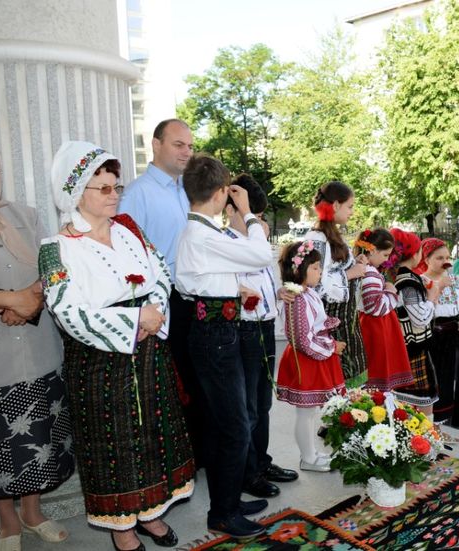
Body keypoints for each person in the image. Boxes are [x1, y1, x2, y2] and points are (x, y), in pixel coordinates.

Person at [40, 142, 194, 550]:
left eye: (116, 187)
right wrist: (133, 320)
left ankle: (152, 515)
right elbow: (68, 311)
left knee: (153, 437)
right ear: (75, 193)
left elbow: (160, 274)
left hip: (149, 353)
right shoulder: (55, 248)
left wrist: (155, 312)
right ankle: (122, 529)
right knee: (114, 447)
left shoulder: (129, 230)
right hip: (99, 364)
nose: (113, 195)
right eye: (102, 188)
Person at [0, 144, 74, 551]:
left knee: (39, 438)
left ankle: (34, 513)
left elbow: (53, 267)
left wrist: (29, 300)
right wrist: (10, 299)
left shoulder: (26, 215)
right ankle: (8, 522)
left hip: (39, 348)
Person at [176, 154, 273, 539]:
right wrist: (248, 214)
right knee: (234, 427)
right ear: (221, 193)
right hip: (215, 337)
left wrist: (232, 287)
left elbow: (192, 280)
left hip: (216, 332)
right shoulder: (203, 234)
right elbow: (261, 255)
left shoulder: (198, 234)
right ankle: (223, 513)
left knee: (223, 425)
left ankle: (227, 499)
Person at [118, 119, 204, 466]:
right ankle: (178, 460)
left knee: (197, 380)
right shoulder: (136, 195)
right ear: (156, 144)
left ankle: (199, 454)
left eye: (190, 146)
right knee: (172, 385)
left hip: (195, 299)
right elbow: (126, 253)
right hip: (162, 303)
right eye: (178, 144)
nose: (186, 152)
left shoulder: (190, 190)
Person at [222, 174, 298, 500]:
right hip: (246, 330)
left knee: (264, 403)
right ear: (233, 209)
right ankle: (247, 473)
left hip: (264, 327)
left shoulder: (255, 243)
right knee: (249, 407)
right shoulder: (225, 243)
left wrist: (277, 293)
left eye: (262, 216)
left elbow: (262, 283)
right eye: (254, 214)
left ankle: (261, 462)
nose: (261, 222)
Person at [276, 241, 346, 472]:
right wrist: (331, 346)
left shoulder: (307, 293)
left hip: (315, 357)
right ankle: (308, 458)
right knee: (305, 413)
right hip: (307, 360)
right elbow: (302, 340)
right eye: (315, 267)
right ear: (299, 269)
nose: (320, 272)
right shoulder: (297, 297)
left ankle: (312, 454)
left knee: (311, 411)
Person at [306, 182, 368, 386]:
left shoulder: (331, 234)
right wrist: (351, 273)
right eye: (349, 206)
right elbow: (314, 283)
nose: (352, 212)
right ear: (335, 206)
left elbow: (334, 269)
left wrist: (355, 264)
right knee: (335, 392)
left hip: (345, 322)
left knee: (351, 392)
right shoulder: (317, 238)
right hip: (331, 321)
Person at [417, 238, 459, 429]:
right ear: (427, 259)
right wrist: (438, 287)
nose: (445, 262)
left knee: (449, 383)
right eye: (439, 258)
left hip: (452, 338)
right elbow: (422, 313)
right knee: (433, 383)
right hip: (432, 338)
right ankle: (427, 429)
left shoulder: (455, 280)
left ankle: (441, 428)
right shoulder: (421, 282)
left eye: (447, 257)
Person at [389, 228, 443, 414]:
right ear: (414, 253)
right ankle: (424, 440)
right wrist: (432, 297)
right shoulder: (407, 282)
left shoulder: (407, 277)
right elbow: (420, 318)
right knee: (421, 404)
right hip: (413, 348)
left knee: (414, 404)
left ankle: (421, 438)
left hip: (412, 347)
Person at [355, 229, 413, 392]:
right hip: (376, 328)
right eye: (385, 255)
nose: (386, 260)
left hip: (376, 326)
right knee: (378, 371)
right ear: (372, 250)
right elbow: (375, 307)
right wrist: (391, 293)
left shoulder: (367, 270)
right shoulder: (370, 273)